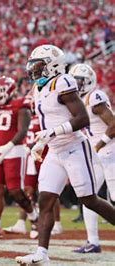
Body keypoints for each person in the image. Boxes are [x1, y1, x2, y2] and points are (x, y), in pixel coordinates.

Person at [15, 44, 115, 265]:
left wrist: (53, 132)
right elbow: (47, 122)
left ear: (52, 66)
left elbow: (82, 119)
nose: (33, 71)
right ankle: (41, 253)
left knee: (89, 200)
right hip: (55, 151)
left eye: (38, 66)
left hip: (75, 148)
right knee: (46, 199)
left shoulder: (63, 82)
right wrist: (42, 143)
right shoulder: (38, 89)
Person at [0, 76, 38, 239]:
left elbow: (23, 130)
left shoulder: (20, 105)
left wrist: (7, 147)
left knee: (15, 191)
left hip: (14, 150)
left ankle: (34, 218)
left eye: (1, 91)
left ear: (10, 90)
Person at [69, 63, 115, 253]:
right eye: (74, 81)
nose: (77, 85)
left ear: (88, 82)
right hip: (97, 155)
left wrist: (98, 145)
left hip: (110, 152)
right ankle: (93, 241)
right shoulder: (76, 101)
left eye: (80, 81)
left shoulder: (94, 97)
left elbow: (113, 125)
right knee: (88, 196)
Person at [3, 94, 63, 238]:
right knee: (28, 190)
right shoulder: (24, 116)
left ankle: (57, 223)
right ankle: (22, 222)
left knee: (50, 191)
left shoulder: (45, 117)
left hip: (44, 156)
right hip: (30, 157)